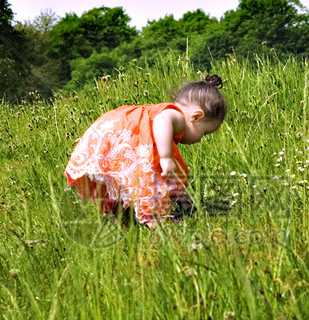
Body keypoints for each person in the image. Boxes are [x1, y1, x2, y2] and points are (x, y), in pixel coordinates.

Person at [65, 75, 227, 226]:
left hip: (113, 130)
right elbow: (162, 120)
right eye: (204, 133)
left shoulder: (165, 115)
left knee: (136, 177)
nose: (200, 139)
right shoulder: (176, 117)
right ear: (196, 117)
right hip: (122, 134)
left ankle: (125, 213)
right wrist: (165, 158)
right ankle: (156, 218)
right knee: (157, 176)